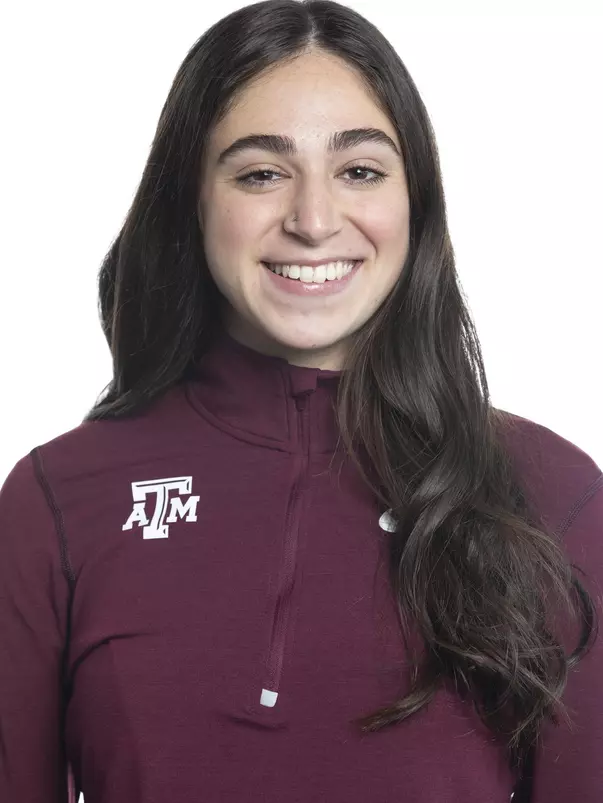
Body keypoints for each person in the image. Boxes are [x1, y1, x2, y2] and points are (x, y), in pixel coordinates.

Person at [1, 1, 601, 801]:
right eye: (260, 172)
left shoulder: (550, 494)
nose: (314, 221)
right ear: (191, 201)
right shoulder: (59, 499)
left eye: (359, 170)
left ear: (413, 201)